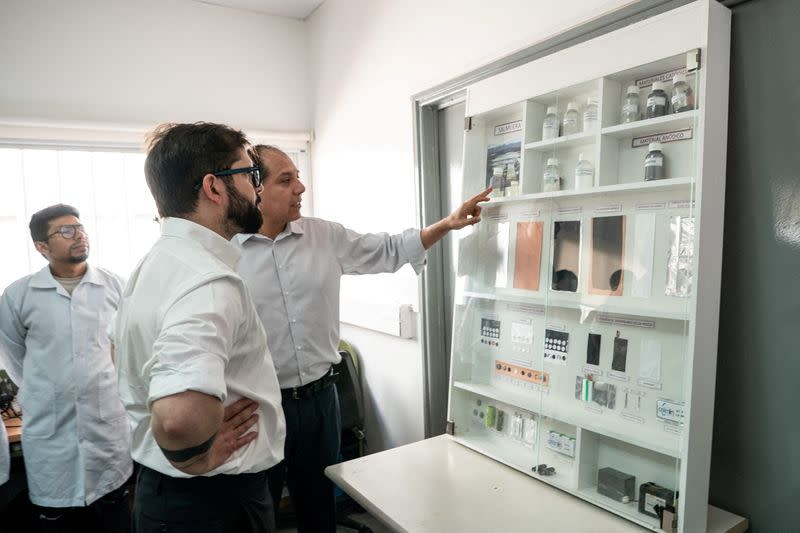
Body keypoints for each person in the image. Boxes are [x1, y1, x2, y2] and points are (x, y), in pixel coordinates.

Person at [234, 144, 491, 532]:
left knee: (319, 508)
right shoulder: (226, 254)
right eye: (285, 180)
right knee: (260, 511)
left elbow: (386, 250)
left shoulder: (323, 236)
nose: (300, 187)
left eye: (298, 176)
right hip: (261, 406)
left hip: (321, 401)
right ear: (255, 189)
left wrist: (446, 224)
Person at [112, 123, 286, 533]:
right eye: (250, 174)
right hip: (213, 503)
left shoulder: (154, 264)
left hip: (163, 495)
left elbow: (118, 352)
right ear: (214, 187)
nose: (257, 188)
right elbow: (178, 420)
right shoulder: (207, 282)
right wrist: (195, 457)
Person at [0, 204, 132, 532]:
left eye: (81, 227)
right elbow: (15, 360)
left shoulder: (115, 285)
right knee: (59, 522)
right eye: (66, 231)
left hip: (107, 427)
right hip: (50, 433)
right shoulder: (18, 296)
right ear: (41, 247)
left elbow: (130, 347)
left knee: (114, 513)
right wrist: (51, 389)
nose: (80, 236)